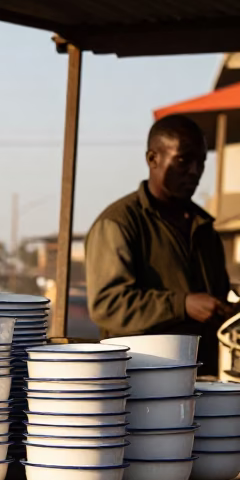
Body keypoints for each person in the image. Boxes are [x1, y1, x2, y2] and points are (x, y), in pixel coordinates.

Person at [86, 114, 232, 375]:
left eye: (201, 162)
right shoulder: (119, 223)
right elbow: (108, 305)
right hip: (143, 383)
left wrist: (226, 306)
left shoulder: (205, 228)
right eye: (183, 160)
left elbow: (215, 299)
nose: (195, 171)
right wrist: (182, 305)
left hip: (201, 381)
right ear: (153, 159)